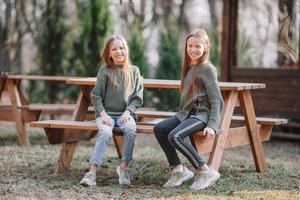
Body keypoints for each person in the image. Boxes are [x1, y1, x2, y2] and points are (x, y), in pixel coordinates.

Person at [153, 29, 224, 190]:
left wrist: (212, 125)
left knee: (176, 136)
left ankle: (205, 171)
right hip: (186, 114)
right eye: (190, 46)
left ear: (205, 47)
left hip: (201, 116)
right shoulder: (190, 67)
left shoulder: (207, 69)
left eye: (197, 46)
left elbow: (217, 100)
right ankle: (178, 170)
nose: (193, 49)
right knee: (159, 129)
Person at [80, 35, 143, 187]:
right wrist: (102, 114)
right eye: (114, 49)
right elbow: (95, 96)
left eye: (121, 48)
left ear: (126, 50)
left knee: (130, 130)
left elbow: (138, 97)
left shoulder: (134, 71)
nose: (118, 51)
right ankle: (92, 173)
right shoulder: (105, 71)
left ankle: (124, 168)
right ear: (109, 53)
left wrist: (128, 112)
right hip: (106, 114)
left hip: (125, 114)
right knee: (106, 132)